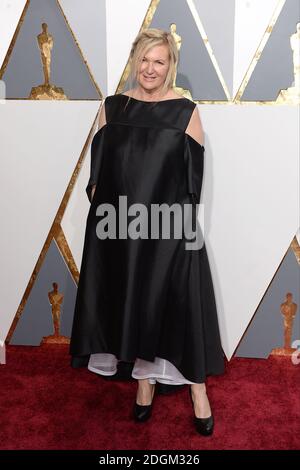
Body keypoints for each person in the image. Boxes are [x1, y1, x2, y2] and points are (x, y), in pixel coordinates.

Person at [70, 28, 225, 436]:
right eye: (144, 59)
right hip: (118, 230)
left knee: (181, 307)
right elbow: (98, 178)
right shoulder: (112, 108)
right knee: (132, 301)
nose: (149, 69)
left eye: (159, 61)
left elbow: (193, 182)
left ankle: (198, 392)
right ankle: (143, 383)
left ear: (170, 66)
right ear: (134, 61)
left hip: (168, 230)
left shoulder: (185, 112)